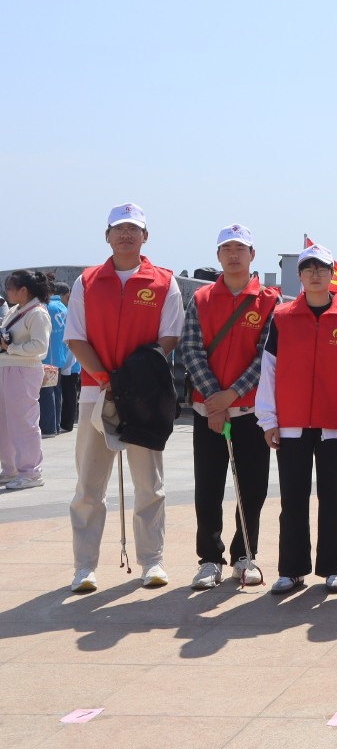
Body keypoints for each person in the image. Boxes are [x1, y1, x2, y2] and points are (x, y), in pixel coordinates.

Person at [64, 203, 184, 591]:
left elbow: (169, 337)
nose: (126, 235)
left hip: (144, 395)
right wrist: (107, 379)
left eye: (134, 229)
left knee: (149, 483)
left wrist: (133, 377)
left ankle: (153, 561)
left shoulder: (164, 282)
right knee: (89, 485)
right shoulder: (87, 281)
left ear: (145, 236)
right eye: (119, 228)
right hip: (95, 391)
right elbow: (75, 337)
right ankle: (84, 567)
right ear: (108, 236)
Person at [256, 243, 337, 595]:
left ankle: (334, 568)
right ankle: (291, 570)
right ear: (300, 276)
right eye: (308, 269)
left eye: (322, 269)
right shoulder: (282, 317)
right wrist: (268, 419)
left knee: (333, 497)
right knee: (292, 499)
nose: (315, 275)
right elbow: (269, 370)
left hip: (336, 423)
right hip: (291, 423)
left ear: (332, 274)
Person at [178, 224, 280, 589]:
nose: (233, 255)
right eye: (227, 249)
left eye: (240, 249)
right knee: (208, 487)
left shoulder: (269, 301)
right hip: (208, 412)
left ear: (252, 255)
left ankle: (245, 555)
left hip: (250, 413)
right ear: (218, 256)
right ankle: (209, 559)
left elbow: (266, 356)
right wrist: (214, 400)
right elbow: (191, 349)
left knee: (252, 488)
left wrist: (231, 395)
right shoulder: (202, 298)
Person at [1, 270, 53, 489]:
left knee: (24, 422)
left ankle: (31, 472)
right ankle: (11, 469)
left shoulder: (37, 313)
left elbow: (40, 346)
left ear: (23, 290)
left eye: (10, 288)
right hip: (7, 367)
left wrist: (10, 347)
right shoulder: (16, 310)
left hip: (24, 369)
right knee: (5, 422)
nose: (7, 292)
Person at [41, 277, 72, 438]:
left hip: (47, 358)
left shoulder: (46, 307)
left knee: (47, 393)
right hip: (59, 357)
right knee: (56, 392)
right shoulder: (63, 308)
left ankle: (48, 428)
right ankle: (56, 426)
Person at [54, 283, 82, 433]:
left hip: (65, 361)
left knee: (65, 394)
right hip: (72, 361)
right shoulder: (70, 312)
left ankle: (64, 423)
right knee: (70, 394)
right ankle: (67, 424)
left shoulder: (63, 311)